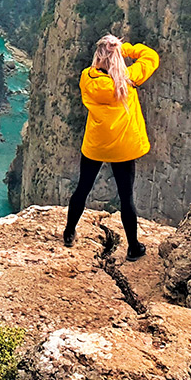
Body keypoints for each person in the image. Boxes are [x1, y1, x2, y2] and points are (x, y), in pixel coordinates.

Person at [64, 33, 160, 259]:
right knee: (126, 197)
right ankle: (133, 247)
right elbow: (151, 57)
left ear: (98, 56)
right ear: (117, 57)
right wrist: (124, 49)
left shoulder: (87, 78)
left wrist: (108, 53)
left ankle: (69, 233)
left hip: (96, 144)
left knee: (82, 188)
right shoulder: (127, 80)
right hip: (122, 147)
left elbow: (95, 68)